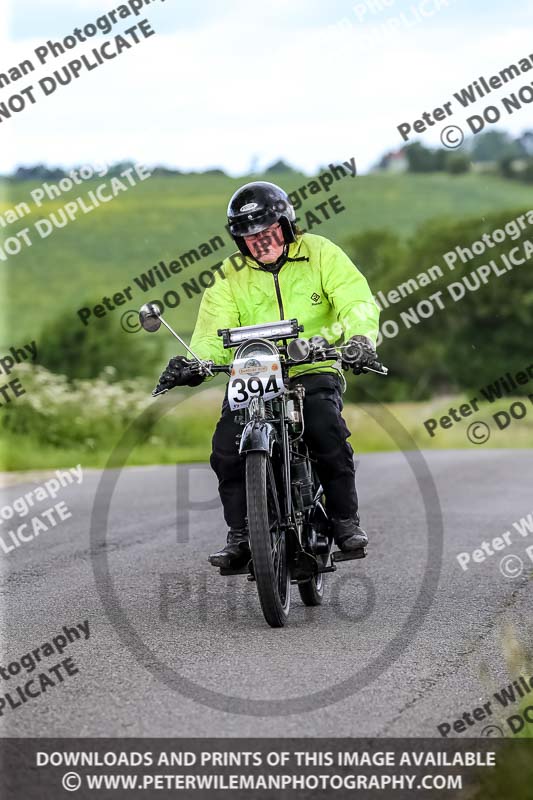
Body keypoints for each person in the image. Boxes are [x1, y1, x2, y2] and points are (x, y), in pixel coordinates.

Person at [155, 181, 383, 568]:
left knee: (325, 425)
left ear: (287, 223)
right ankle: (243, 534)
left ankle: (344, 520)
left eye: (267, 231)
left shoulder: (322, 253)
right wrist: (193, 363)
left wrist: (360, 338)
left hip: (311, 364)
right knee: (225, 447)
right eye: (249, 236)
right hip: (252, 371)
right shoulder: (228, 275)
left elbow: (356, 300)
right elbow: (213, 334)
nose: (259, 241)